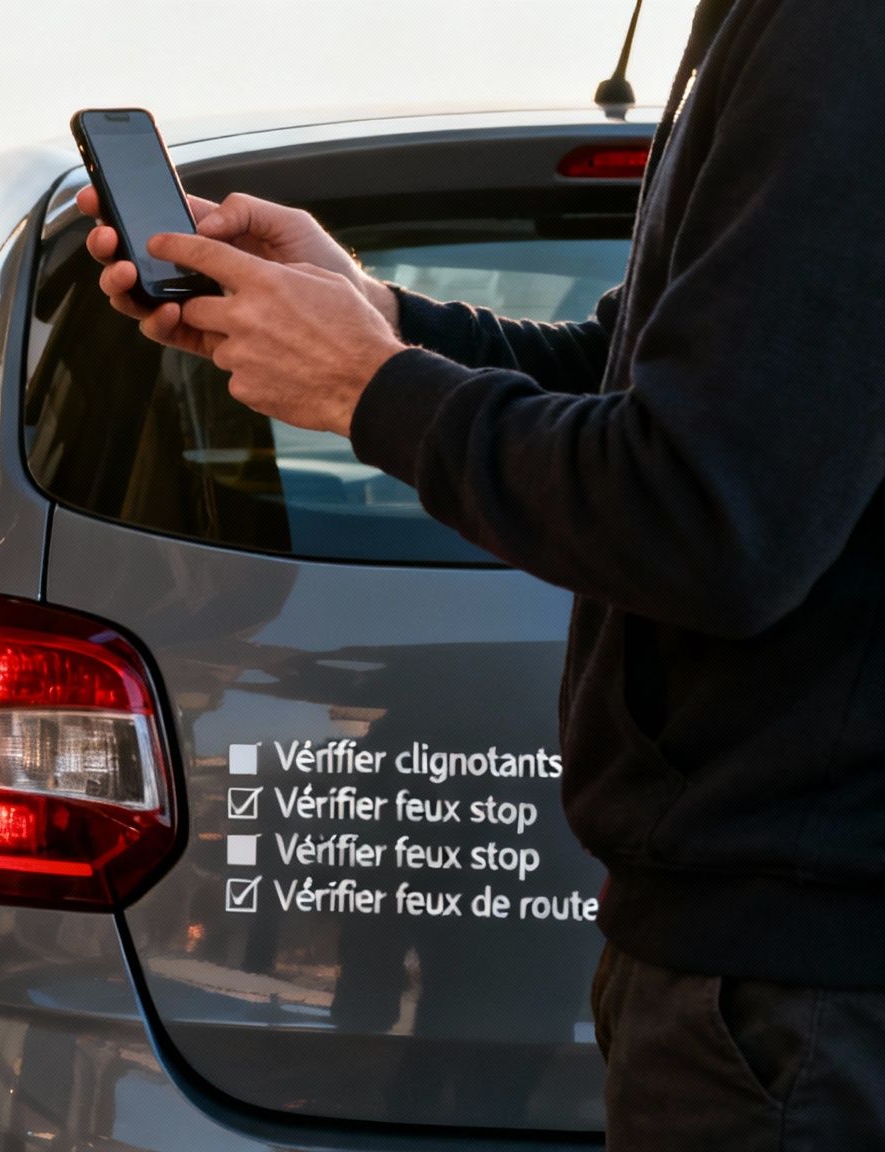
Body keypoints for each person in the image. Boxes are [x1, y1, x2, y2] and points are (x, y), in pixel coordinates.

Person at [83, 0, 884, 1147]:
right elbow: (637, 383)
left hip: (801, 990)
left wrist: (368, 388)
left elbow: (708, 513)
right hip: (766, 964)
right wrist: (377, 319)